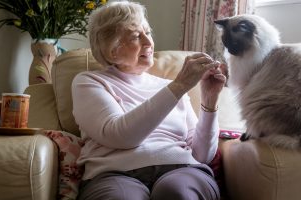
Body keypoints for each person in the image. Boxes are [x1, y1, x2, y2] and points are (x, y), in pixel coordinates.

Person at [72, 1, 226, 200]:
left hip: (182, 169)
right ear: (112, 50)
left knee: (177, 193)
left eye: (148, 32)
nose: (149, 42)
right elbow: (119, 135)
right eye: (136, 36)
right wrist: (179, 86)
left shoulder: (170, 87)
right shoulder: (89, 82)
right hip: (114, 174)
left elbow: (202, 155)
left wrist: (209, 101)